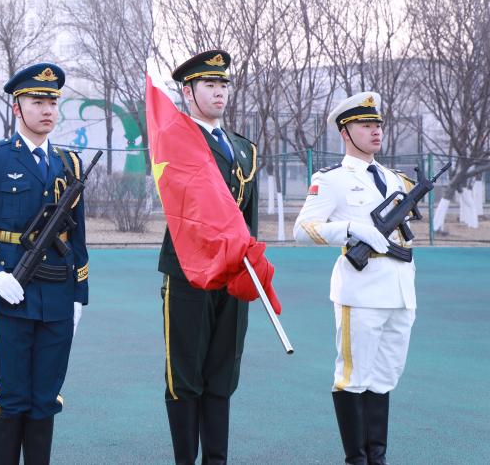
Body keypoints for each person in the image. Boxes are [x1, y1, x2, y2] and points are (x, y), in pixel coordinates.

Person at [0, 63, 89, 465]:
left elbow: (77, 237)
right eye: (37, 101)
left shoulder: (69, 163)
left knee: (46, 396)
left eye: (52, 102)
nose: (47, 110)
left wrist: (79, 295)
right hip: (11, 292)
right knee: (11, 395)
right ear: (17, 108)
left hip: (58, 294)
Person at [293, 92, 416, 465]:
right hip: (360, 292)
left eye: (378, 124)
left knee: (385, 376)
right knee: (353, 377)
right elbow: (303, 229)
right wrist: (349, 229)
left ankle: (377, 457)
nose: (375, 131)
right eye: (366, 125)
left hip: (400, 291)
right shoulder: (331, 179)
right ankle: (357, 460)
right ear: (345, 132)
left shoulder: (396, 179)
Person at [158, 50, 267, 465]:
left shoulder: (244, 149)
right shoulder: (176, 141)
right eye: (209, 84)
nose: (219, 92)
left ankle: (216, 460)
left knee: (223, 371)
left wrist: (251, 262)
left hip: (232, 272)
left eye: (223, 84)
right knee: (185, 373)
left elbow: (247, 218)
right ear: (188, 92)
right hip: (189, 269)